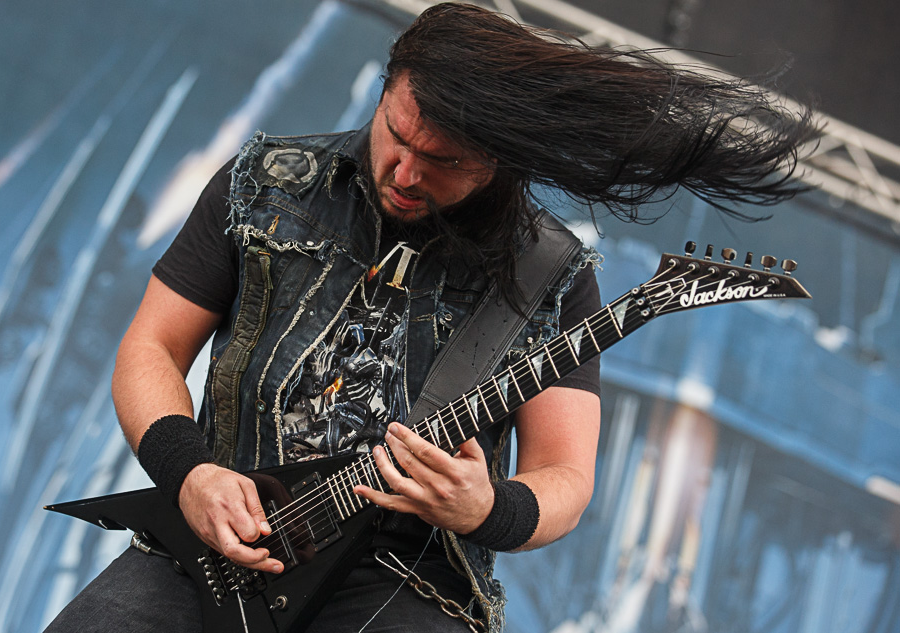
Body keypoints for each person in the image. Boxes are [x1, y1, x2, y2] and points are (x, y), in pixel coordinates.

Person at [45, 3, 813, 632]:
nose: (406, 172)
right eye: (397, 134)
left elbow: (566, 475)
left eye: (442, 160)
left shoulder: (552, 275)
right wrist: (190, 472)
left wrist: (488, 507)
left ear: (499, 157)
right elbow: (151, 347)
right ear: (385, 93)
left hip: (402, 578)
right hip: (216, 542)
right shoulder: (265, 185)